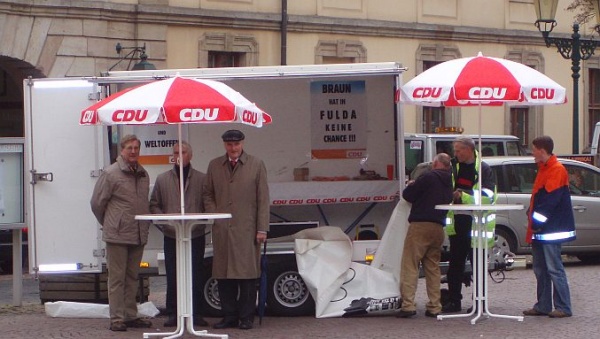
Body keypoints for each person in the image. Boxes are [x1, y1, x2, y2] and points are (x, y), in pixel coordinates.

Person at [202, 129, 270, 330]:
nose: (233, 148)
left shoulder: (256, 165)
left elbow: (263, 199)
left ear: (242, 144)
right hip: (223, 230)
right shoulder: (215, 165)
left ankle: (246, 317)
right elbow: (207, 194)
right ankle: (229, 315)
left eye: (236, 144)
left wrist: (262, 229)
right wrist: (215, 216)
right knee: (224, 276)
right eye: (230, 144)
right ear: (224, 145)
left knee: (247, 275)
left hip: (247, 229)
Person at [90, 135, 152, 332]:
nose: (133, 151)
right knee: (117, 278)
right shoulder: (111, 174)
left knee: (132, 277)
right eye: (129, 148)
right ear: (121, 150)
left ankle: (130, 315)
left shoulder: (143, 174)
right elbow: (97, 203)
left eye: (136, 148)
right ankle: (117, 318)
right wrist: (110, 223)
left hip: (138, 233)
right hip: (117, 234)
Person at [149, 142, 209, 327]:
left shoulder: (202, 179)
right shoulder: (162, 179)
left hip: (195, 234)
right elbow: (154, 204)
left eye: (182, 152)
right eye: (175, 152)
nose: (179, 156)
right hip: (172, 235)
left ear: (190, 155)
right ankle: (173, 313)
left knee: (196, 274)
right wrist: (166, 222)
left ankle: (196, 312)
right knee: (173, 274)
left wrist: (202, 221)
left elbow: (208, 204)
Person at [522, 136, 575, 318]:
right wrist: (533, 218)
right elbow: (542, 198)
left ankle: (563, 307)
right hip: (544, 229)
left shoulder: (555, 170)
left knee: (553, 268)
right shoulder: (547, 168)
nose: (532, 153)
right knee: (541, 269)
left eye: (533, 149)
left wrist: (535, 221)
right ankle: (544, 305)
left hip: (550, 229)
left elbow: (549, 202)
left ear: (542, 150)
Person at [442, 137, 496, 313]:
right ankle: (454, 301)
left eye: (458, 150)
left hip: (476, 224)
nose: (455, 154)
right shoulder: (453, 167)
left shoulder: (483, 169)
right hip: (457, 222)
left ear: (469, 150)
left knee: (477, 266)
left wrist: (463, 196)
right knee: (455, 265)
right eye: (455, 150)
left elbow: (488, 197)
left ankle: (480, 302)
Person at [396, 153, 453, 318]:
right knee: (433, 268)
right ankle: (435, 306)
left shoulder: (428, 177)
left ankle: (408, 306)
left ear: (435, 163)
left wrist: (412, 184)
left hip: (420, 225)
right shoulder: (449, 180)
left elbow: (408, 195)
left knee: (410, 265)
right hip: (438, 227)